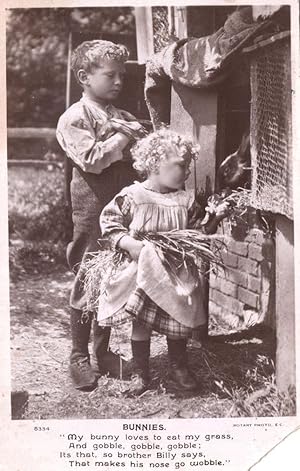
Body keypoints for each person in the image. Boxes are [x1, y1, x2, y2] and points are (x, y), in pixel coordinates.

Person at [97, 129, 229, 396]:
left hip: (177, 271)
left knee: (178, 318)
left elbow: (197, 232)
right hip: (144, 267)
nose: (187, 172)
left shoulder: (185, 200)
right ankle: (140, 373)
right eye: (181, 165)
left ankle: (179, 367)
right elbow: (109, 223)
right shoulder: (134, 196)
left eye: (188, 167)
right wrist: (129, 244)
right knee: (141, 322)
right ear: (154, 164)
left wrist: (215, 218)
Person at [56, 39, 146, 391]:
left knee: (111, 276)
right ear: (84, 76)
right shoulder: (75, 117)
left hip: (120, 207)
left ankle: (103, 352)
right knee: (88, 275)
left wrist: (130, 136)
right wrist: (124, 139)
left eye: (122, 75)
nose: (119, 81)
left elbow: (139, 157)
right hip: (93, 206)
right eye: (110, 75)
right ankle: (78, 357)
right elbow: (92, 160)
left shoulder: (121, 115)